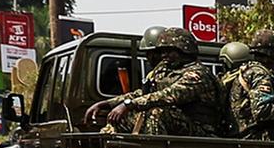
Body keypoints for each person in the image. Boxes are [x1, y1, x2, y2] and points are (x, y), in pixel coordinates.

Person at [84, 26, 223, 136]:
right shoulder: (166, 70)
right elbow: (145, 92)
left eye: (169, 51)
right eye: (162, 51)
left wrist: (129, 105)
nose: (164, 56)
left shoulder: (198, 74)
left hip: (201, 130)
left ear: (184, 50)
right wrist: (109, 103)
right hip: (179, 125)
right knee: (122, 117)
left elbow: (168, 95)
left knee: (156, 112)